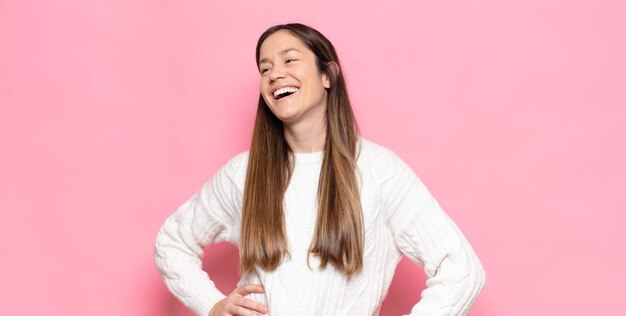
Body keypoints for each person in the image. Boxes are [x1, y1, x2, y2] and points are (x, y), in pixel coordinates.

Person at [154, 23, 486, 316]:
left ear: (327, 76)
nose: (274, 74)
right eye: (264, 68)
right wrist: (211, 305)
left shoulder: (379, 172)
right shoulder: (243, 174)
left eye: (289, 59)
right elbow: (173, 242)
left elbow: (462, 271)